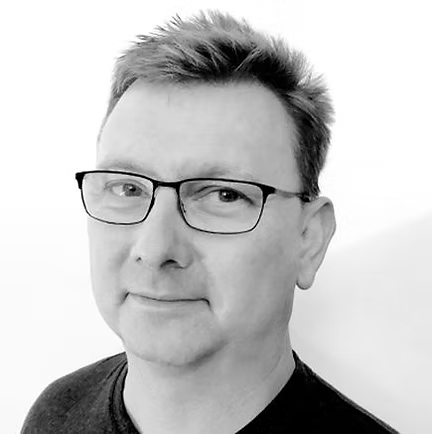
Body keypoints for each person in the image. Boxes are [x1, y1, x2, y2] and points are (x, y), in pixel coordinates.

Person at [21, 10, 398, 434]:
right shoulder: (57, 412)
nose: (155, 249)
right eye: (127, 188)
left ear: (308, 240)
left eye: (223, 195)